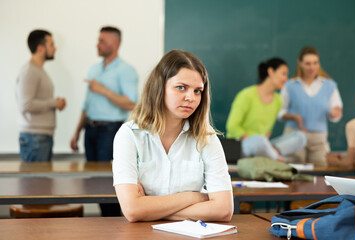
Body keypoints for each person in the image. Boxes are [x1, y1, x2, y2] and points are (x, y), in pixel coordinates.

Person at [113, 49, 233, 222]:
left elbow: (223, 210)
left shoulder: (206, 138)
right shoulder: (129, 135)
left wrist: (148, 209)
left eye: (197, 91)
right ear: (159, 87)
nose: (190, 97)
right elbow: (132, 210)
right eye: (181, 88)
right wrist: (195, 197)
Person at [70, 26, 138, 216]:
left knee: (109, 181)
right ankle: (104, 221)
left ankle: (114, 220)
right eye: (98, 40)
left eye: (102, 41)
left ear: (115, 44)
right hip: (90, 130)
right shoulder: (94, 69)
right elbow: (86, 104)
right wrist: (77, 132)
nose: (97, 44)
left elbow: (131, 103)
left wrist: (104, 90)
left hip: (110, 131)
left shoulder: (126, 71)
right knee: (93, 180)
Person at [226, 58, 306, 161]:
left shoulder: (278, 100)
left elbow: (268, 131)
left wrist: (266, 145)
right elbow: (232, 126)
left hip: (263, 145)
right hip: (242, 145)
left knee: (300, 137)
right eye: (283, 74)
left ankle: (269, 154)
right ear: (271, 71)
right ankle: (275, 158)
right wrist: (257, 141)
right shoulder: (246, 95)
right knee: (259, 141)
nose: (286, 79)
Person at [279, 46, 343, 166]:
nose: (312, 67)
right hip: (294, 136)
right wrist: (293, 117)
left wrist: (335, 113)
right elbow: (279, 112)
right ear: (300, 63)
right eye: (308, 63)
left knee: (321, 171)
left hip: (319, 139)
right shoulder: (290, 85)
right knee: (293, 172)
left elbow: (336, 113)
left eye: (315, 63)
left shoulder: (329, 85)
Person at [16, 29, 66, 162]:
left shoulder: (37, 70)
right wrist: (54, 103)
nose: (55, 48)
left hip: (40, 137)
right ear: (40, 48)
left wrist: (55, 103)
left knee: (41, 182)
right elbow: (25, 105)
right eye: (51, 44)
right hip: (35, 138)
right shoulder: (30, 71)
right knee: (36, 182)